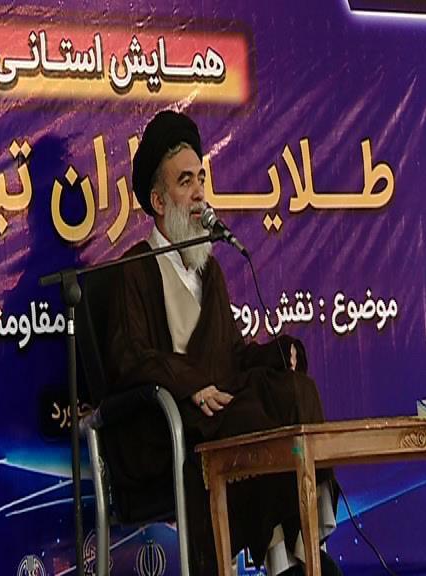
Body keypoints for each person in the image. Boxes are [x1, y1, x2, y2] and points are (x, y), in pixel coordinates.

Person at [104, 110, 343, 575]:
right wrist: (190, 385)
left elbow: (230, 355)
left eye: (201, 179)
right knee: (252, 419)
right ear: (158, 200)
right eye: (185, 181)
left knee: (295, 390)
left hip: (218, 411)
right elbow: (130, 357)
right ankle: (279, 561)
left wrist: (277, 353)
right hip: (170, 427)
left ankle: (307, 546)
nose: (199, 193)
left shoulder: (208, 269)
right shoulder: (134, 270)